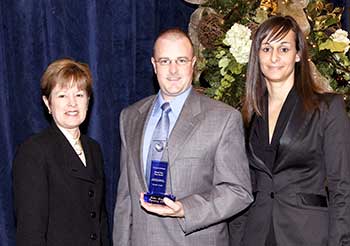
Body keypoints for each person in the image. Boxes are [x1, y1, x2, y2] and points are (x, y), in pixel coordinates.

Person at [113, 28, 253, 246]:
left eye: (181, 60)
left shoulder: (224, 118)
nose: (173, 70)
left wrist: (185, 209)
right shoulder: (130, 117)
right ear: (153, 65)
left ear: (193, 63)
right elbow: (125, 198)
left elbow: (238, 191)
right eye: (165, 61)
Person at [234, 15, 350, 245]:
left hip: (308, 234)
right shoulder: (246, 115)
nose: (274, 57)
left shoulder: (328, 108)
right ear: (257, 55)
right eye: (266, 48)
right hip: (256, 234)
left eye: (284, 48)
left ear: (298, 54)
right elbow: (245, 187)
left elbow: (342, 189)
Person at [13, 58, 110, 246]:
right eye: (62, 96)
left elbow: (99, 220)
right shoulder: (34, 152)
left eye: (79, 95)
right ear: (48, 103)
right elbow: (30, 233)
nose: (72, 103)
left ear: (88, 101)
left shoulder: (94, 149)